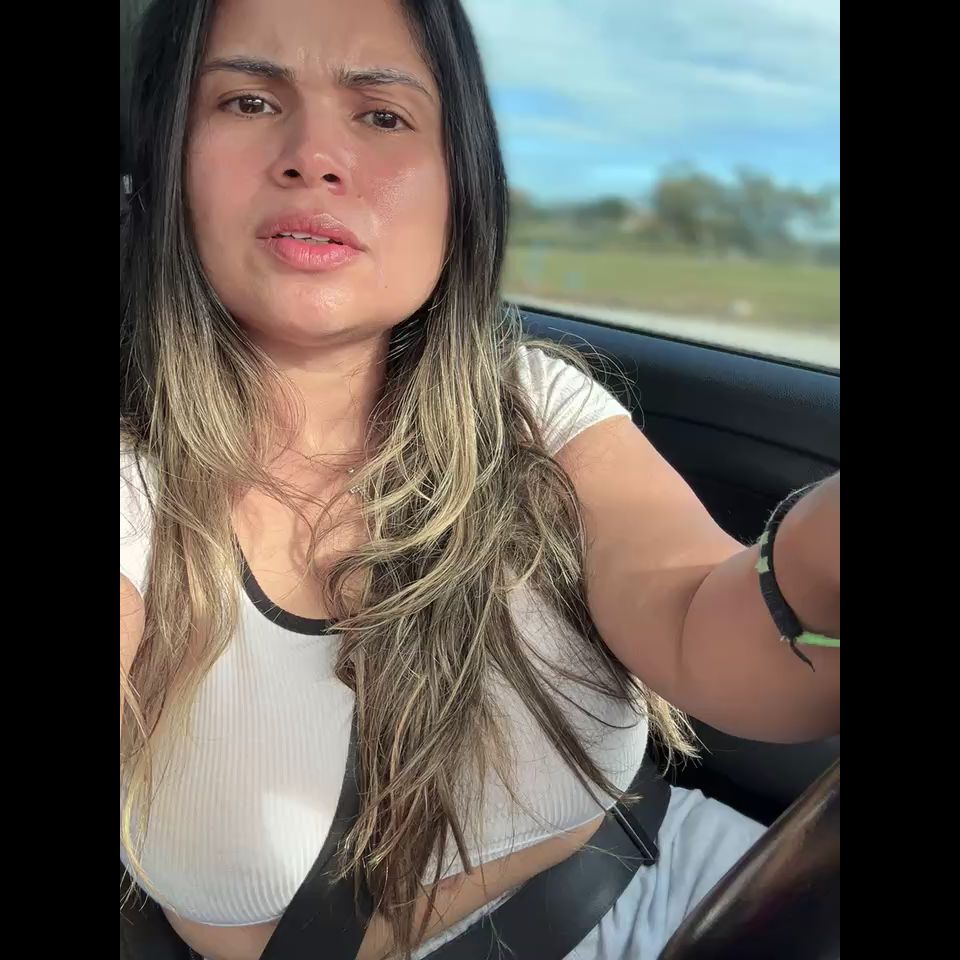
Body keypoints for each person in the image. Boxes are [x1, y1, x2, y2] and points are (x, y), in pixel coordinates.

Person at [119, 1, 840, 958]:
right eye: (249, 101)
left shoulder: (534, 405)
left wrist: (820, 561)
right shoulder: (136, 484)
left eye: (383, 114)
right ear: (163, 159)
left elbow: (698, 621)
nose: (314, 156)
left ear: (459, 185)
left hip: (683, 892)